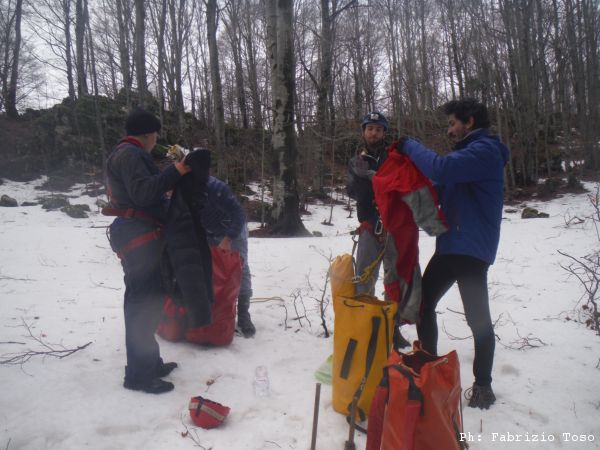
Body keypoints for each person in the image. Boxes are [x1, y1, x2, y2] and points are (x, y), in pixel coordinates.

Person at [397, 98, 509, 409]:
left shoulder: (484, 151)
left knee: (478, 319)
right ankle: (428, 367)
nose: (449, 130)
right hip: (451, 246)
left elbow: (441, 169)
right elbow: (438, 187)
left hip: (471, 250)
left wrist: (409, 146)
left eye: (452, 123)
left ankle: (483, 385)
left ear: (469, 122)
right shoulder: (465, 157)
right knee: (423, 304)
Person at [105, 109, 191, 394]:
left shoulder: (126, 154)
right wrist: (176, 172)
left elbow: (143, 191)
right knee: (143, 305)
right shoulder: (131, 154)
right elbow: (143, 194)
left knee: (147, 303)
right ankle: (140, 376)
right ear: (148, 134)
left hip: (137, 233)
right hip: (138, 235)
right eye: (155, 134)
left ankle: (149, 364)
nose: (156, 140)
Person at [347, 111, 410, 349]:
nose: (373, 133)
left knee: (394, 279)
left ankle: (392, 328)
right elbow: (354, 193)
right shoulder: (356, 161)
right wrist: (361, 177)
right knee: (364, 278)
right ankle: (364, 326)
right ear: (364, 132)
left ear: (384, 133)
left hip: (394, 225)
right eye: (370, 128)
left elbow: (402, 186)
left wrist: (376, 179)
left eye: (378, 129)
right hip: (369, 226)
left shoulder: (394, 158)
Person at [199, 176, 255, 338]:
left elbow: (239, 214)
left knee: (239, 268)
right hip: (208, 231)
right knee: (211, 270)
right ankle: (216, 312)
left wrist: (227, 239)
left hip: (232, 229)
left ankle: (244, 315)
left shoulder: (214, 188)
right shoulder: (181, 193)